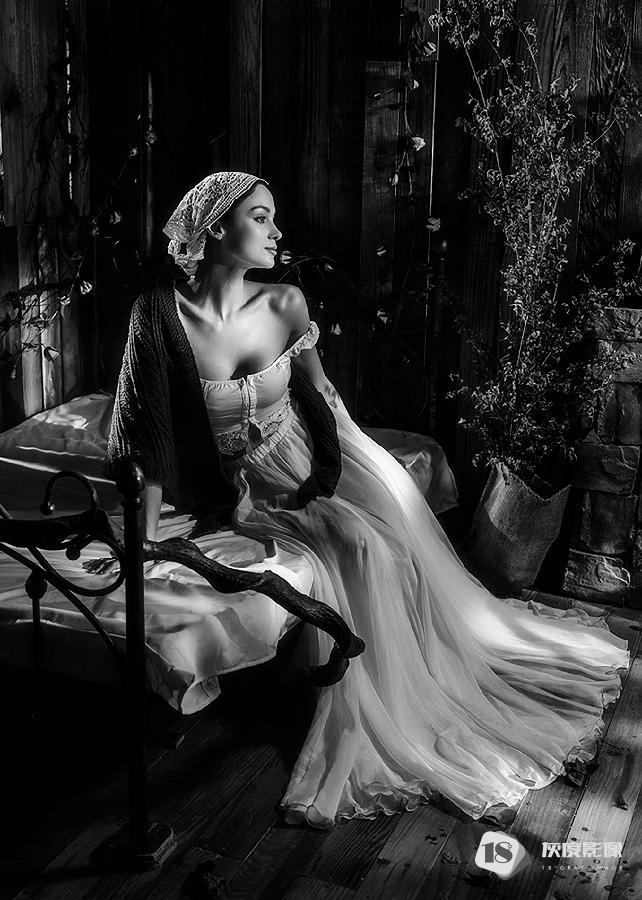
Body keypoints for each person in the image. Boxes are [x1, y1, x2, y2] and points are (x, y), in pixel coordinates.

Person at [105, 171, 629, 831]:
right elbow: (147, 437)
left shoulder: (285, 303)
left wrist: (365, 467)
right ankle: (350, 691)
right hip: (238, 486)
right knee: (358, 547)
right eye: (261, 218)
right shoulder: (157, 316)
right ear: (214, 227)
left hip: (315, 460)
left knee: (379, 538)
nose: (277, 232)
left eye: (273, 217)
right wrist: (145, 536)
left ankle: (397, 694)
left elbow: (322, 396)